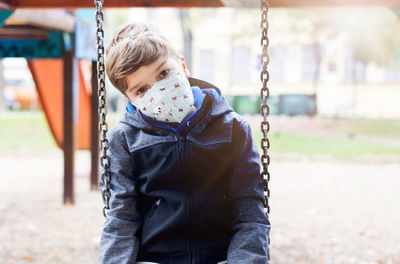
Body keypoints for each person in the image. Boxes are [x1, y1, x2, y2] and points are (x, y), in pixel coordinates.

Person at [99, 22, 270, 264]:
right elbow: (121, 218)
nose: (159, 91)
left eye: (164, 73)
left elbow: (250, 211)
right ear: (129, 99)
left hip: (221, 258)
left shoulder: (232, 129)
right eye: (141, 90)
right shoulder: (124, 140)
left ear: (182, 65)